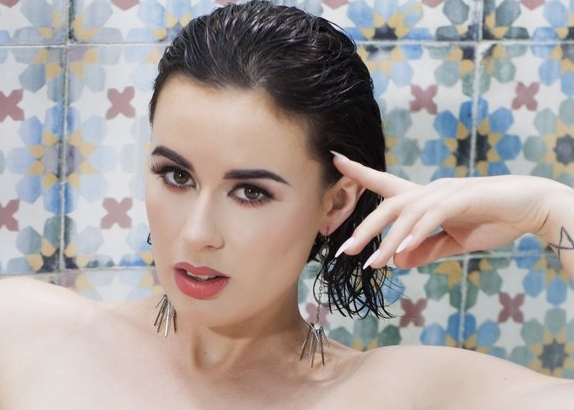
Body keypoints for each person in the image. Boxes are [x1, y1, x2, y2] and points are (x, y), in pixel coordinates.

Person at [1, 1, 574, 408]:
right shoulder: (25, 333)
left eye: (250, 192)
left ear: (336, 204)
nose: (197, 233)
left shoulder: (399, 394)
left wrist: (550, 212)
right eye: (176, 176)